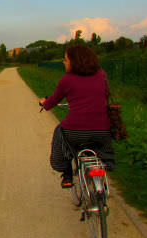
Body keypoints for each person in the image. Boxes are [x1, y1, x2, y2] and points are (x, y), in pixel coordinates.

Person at [39, 44, 115, 188]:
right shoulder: (101, 74)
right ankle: (104, 167)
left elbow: (53, 101)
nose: (64, 62)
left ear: (75, 61)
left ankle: (66, 171)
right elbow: (106, 94)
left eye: (66, 60)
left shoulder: (67, 79)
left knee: (59, 132)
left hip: (74, 131)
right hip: (102, 129)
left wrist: (44, 102)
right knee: (100, 146)